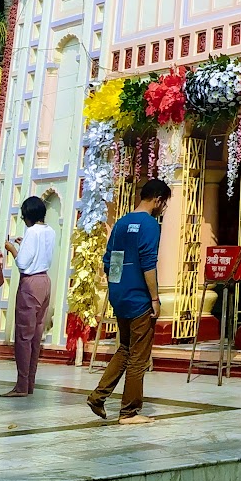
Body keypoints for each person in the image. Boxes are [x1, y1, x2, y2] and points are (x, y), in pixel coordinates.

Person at [87, 178, 171, 423]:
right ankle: (129, 411)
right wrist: (154, 297)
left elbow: (109, 261)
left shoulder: (121, 223)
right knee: (138, 357)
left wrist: (118, 287)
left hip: (120, 295)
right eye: (163, 203)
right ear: (157, 199)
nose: (162, 207)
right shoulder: (150, 225)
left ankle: (98, 396)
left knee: (124, 348)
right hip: (139, 298)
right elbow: (148, 264)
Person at [2, 196, 56, 397]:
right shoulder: (49, 231)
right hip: (45, 282)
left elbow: (23, 263)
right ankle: (30, 382)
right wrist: (24, 244)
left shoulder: (31, 232)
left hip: (30, 283)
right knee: (35, 335)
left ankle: (21, 385)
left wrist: (12, 249)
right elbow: (40, 251)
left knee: (23, 336)